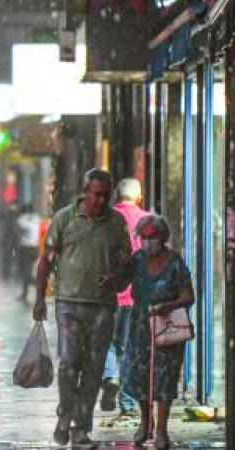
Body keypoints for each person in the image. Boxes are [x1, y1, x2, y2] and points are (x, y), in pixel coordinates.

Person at [33, 169, 133, 448]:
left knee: (93, 368)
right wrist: (40, 298)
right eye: (95, 194)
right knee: (68, 363)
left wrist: (116, 279)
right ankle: (65, 413)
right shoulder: (65, 219)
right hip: (68, 304)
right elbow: (46, 261)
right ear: (85, 192)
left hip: (102, 306)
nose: (99, 201)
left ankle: (81, 428)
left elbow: (128, 268)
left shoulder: (117, 224)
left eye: (104, 195)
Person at [119, 213, 195, 450]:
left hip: (166, 327)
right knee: (140, 373)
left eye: (152, 237)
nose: (147, 242)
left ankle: (161, 429)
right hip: (140, 324)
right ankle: (145, 422)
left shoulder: (174, 262)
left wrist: (167, 306)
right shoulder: (137, 259)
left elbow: (188, 295)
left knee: (165, 377)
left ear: (162, 237)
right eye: (143, 237)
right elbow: (120, 282)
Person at [99, 177, 148, 414]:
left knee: (106, 341)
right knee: (129, 347)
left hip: (109, 293)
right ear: (139, 198)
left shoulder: (105, 220)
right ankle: (127, 403)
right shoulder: (148, 221)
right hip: (137, 295)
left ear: (116, 195)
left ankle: (109, 377)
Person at [15, 204, 42, 301]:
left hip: (25, 248)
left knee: (25, 271)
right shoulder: (37, 219)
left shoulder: (21, 219)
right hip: (34, 247)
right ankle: (26, 293)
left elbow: (17, 232)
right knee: (28, 271)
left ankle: (38, 288)